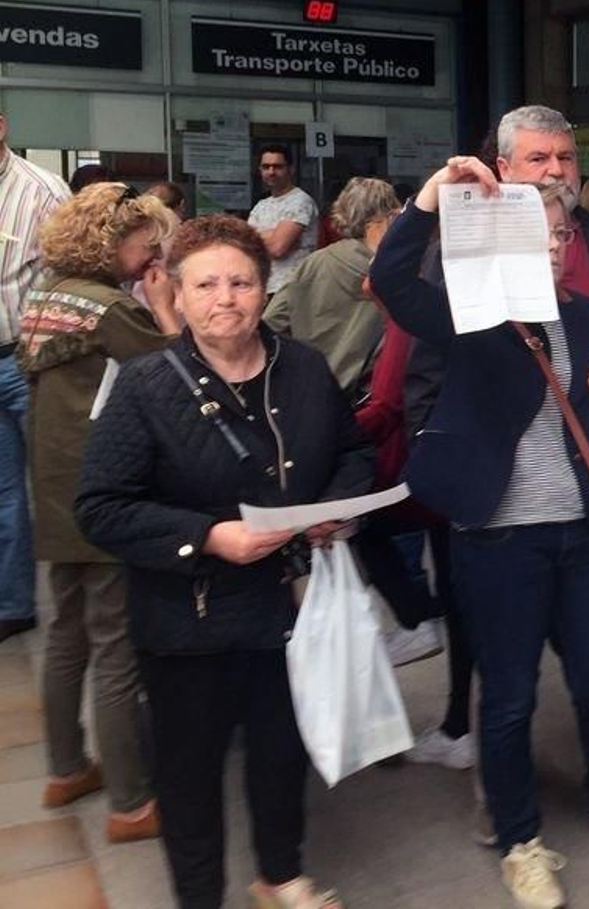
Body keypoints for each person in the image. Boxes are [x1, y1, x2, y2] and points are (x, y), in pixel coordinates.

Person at [371, 159, 589, 909]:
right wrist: (431, 199)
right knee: (507, 698)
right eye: (531, 233)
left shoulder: (577, 314)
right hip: (500, 538)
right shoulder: (470, 312)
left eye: (558, 233)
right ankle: (519, 841)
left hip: (577, 533)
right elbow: (392, 279)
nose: (548, 246)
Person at [75, 214, 371, 909]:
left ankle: (279, 875)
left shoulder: (303, 368)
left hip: (285, 609)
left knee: (279, 752)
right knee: (188, 774)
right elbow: (100, 508)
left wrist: (338, 504)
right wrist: (208, 536)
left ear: (266, 289)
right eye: (205, 283)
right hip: (188, 621)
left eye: (241, 282)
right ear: (175, 293)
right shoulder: (145, 386)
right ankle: (200, 897)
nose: (225, 298)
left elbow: (355, 452)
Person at [17, 184, 179, 843]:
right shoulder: (109, 307)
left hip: (52, 487)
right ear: (114, 242)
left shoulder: (45, 296)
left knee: (67, 635)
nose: (154, 255)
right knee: (117, 649)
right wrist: (166, 308)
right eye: (148, 244)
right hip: (104, 490)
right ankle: (132, 802)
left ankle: (64, 768)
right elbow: (174, 373)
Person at [0, 110, 70, 642]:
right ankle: (14, 604)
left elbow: (71, 274)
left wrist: (47, 350)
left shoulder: (43, 191)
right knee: (4, 490)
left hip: (28, 360)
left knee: (55, 481)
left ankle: (81, 599)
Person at [493, 106, 589, 324]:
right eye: (538, 159)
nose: (557, 170)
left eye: (565, 158)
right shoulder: (469, 248)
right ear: (504, 169)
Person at [265, 177, 400, 396]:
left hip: (313, 389)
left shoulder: (313, 264)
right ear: (391, 215)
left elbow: (271, 322)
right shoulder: (397, 273)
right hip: (368, 396)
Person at [248, 146, 318, 295]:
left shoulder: (300, 201)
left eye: (278, 166)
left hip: (291, 290)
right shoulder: (261, 205)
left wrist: (260, 237)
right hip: (264, 287)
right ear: (260, 170)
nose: (271, 172)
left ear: (291, 169)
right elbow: (245, 244)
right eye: (266, 167)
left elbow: (278, 248)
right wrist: (272, 235)